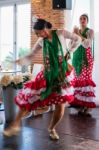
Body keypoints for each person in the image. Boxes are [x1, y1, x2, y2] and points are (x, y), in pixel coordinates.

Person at [3, 18, 81, 139]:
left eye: (38, 33)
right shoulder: (41, 41)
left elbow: (78, 39)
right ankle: (15, 125)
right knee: (29, 98)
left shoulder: (61, 33)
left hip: (61, 72)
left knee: (61, 105)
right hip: (47, 73)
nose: (38, 35)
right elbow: (31, 55)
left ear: (44, 29)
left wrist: (69, 52)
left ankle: (52, 128)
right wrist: (20, 60)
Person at [70, 14, 96, 115]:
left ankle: (87, 107)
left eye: (84, 19)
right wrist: (73, 35)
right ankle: (80, 106)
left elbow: (87, 44)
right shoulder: (76, 31)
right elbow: (71, 45)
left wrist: (78, 34)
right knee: (78, 82)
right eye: (80, 19)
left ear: (87, 20)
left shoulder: (90, 31)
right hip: (76, 59)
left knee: (86, 81)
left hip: (86, 59)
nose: (82, 20)